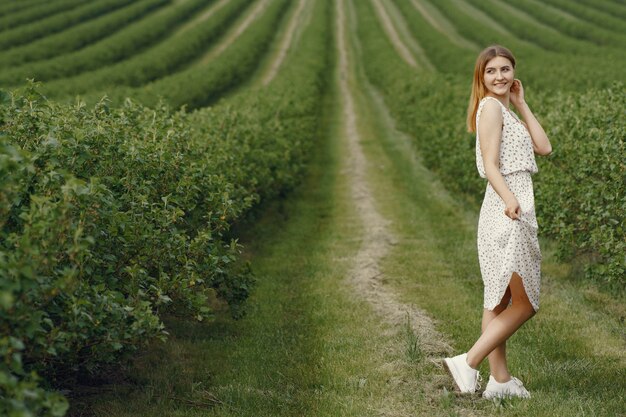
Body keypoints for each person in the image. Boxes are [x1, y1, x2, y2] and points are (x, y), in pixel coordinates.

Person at [443, 45, 552, 399]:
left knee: (498, 300)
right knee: (525, 303)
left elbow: (544, 147)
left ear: (514, 73)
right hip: (507, 207)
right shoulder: (490, 109)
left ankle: (500, 382)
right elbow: (491, 165)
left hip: (510, 204)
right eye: (491, 71)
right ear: (481, 77)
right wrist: (511, 202)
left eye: (505, 69)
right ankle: (469, 361)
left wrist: (522, 103)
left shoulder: (506, 110)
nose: (500, 76)